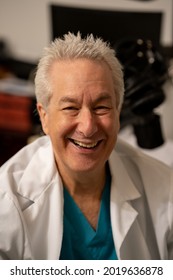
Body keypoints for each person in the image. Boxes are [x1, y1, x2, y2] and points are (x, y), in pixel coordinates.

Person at [0, 32, 173, 260]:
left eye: (101, 107)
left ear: (118, 113)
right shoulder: (6, 200)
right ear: (44, 118)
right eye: (70, 108)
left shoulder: (164, 187)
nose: (88, 127)